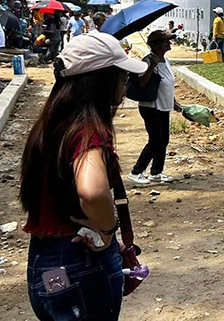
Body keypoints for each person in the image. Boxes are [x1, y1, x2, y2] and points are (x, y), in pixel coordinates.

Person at [19, 32, 148, 321]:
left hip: (46, 265)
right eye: (122, 76)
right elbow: (92, 191)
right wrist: (106, 228)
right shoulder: (89, 131)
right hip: (81, 262)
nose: (124, 84)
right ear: (101, 81)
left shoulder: (51, 125)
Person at [127, 31, 183, 186]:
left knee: (163, 140)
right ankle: (136, 172)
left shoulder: (165, 60)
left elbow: (167, 84)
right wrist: (152, 65)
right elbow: (142, 83)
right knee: (155, 141)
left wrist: (174, 102)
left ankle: (156, 173)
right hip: (151, 108)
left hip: (164, 106)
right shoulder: (148, 61)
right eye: (166, 41)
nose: (169, 44)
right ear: (157, 45)